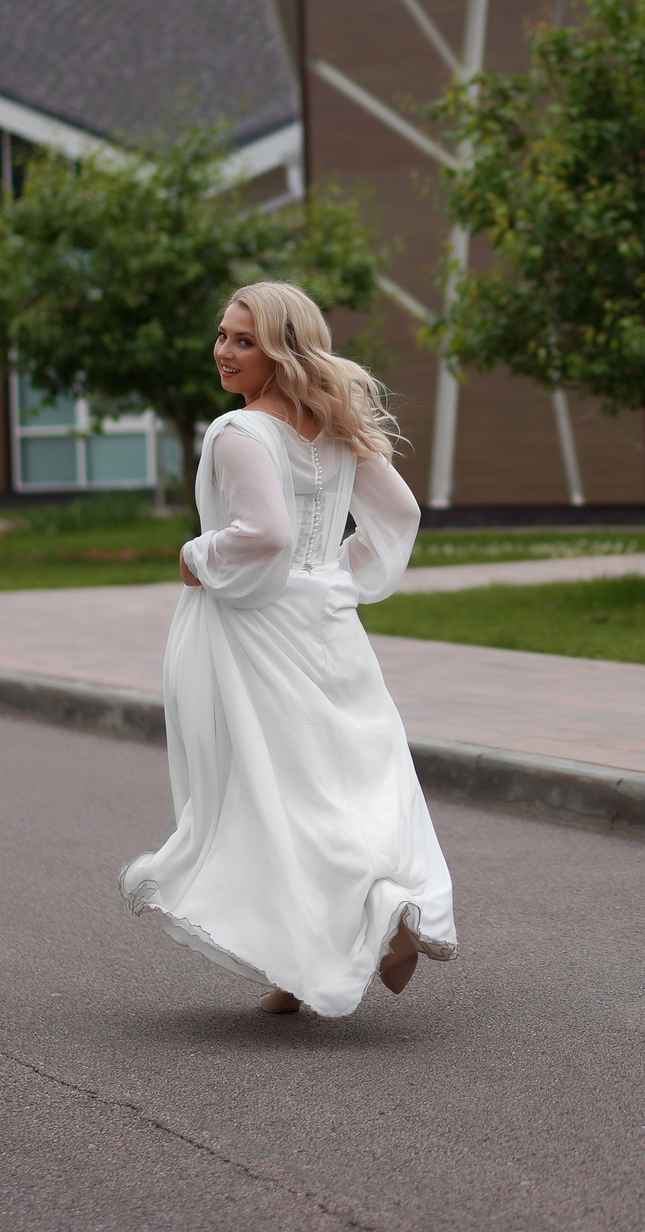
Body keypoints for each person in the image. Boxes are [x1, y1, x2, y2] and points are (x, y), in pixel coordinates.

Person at [119, 281, 457, 1017]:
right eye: (221, 336)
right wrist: (340, 576)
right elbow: (400, 513)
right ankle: (317, 952)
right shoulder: (334, 426)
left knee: (272, 794)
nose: (225, 352)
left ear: (281, 348)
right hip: (330, 626)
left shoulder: (238, 432)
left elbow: (265, 536)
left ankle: (350, 929)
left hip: (260, 633)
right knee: (343, 779)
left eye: (244, 340)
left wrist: (198, 553)